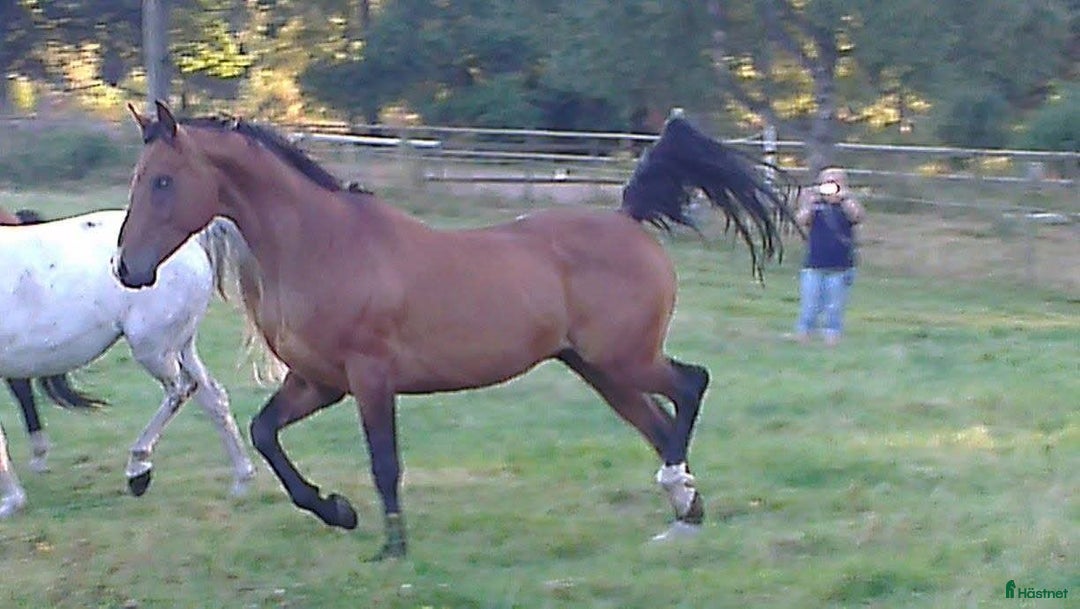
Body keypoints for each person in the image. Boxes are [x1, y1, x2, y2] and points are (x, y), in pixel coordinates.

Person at [793, 167, 865, 346]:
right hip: (814, 264)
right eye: (827, 182)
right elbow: (801, 220)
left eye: (836, 182)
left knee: (834, 307)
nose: (831, 186)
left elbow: (858, 216)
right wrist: (810, 201)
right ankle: (804, 337)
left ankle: (832, 339)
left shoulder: (847, 204)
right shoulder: (815, 204)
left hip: (840, 266)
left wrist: (844, 197)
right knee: (809, 306)